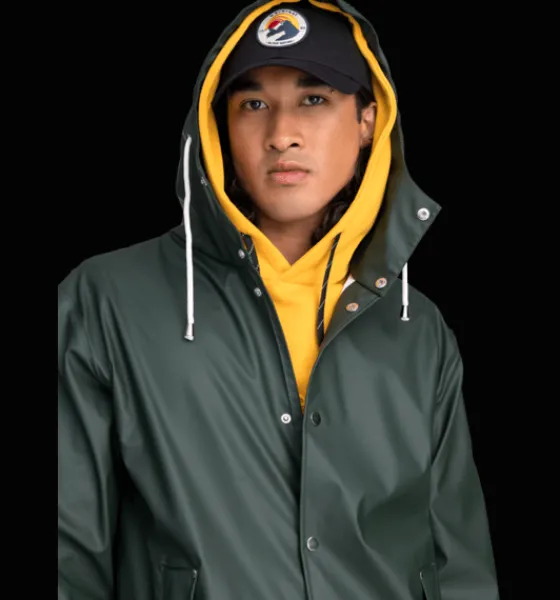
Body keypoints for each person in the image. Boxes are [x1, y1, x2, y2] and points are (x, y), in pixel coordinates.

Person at [58, 1, 499, 598]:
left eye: (314, 99)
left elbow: (458, 563)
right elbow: (67, 552)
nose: (281, 134)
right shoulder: (106, 301)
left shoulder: (415, 326)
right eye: (253, 105)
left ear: (368, 120)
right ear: (218, 127)